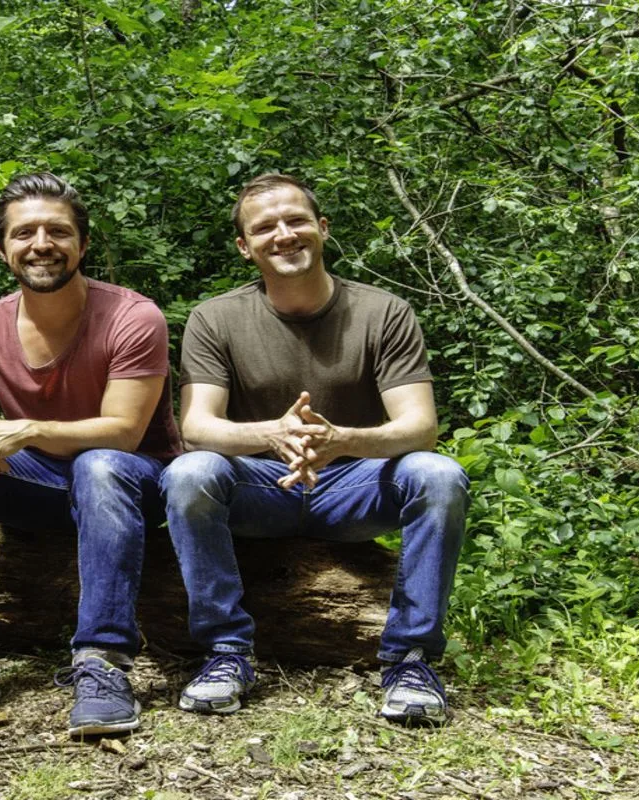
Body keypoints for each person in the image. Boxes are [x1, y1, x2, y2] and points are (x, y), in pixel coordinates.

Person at [159, 173, 470, 725]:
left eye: (296, 220)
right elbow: (198, 426)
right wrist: (272, 434)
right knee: (190, 472)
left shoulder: (383, 312)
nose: (284, 234)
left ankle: (411, 658)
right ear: (245, 246)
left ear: (322, 228)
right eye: (265, 227)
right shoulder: (216, 317)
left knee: (438, 474)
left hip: (354, 487)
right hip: (260, 487)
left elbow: (420, 427)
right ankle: (226, 651)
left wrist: (343, 441)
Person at [0, 173, 181, 736]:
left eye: (58, 231)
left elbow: (124, 433)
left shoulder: (132, 316)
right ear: (3, 250)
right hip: (44, 485)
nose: (41, 244)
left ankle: (103, 662)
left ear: (83, 244)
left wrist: (22, 430)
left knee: (99, 465)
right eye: (24, 233)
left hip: (134, 484)